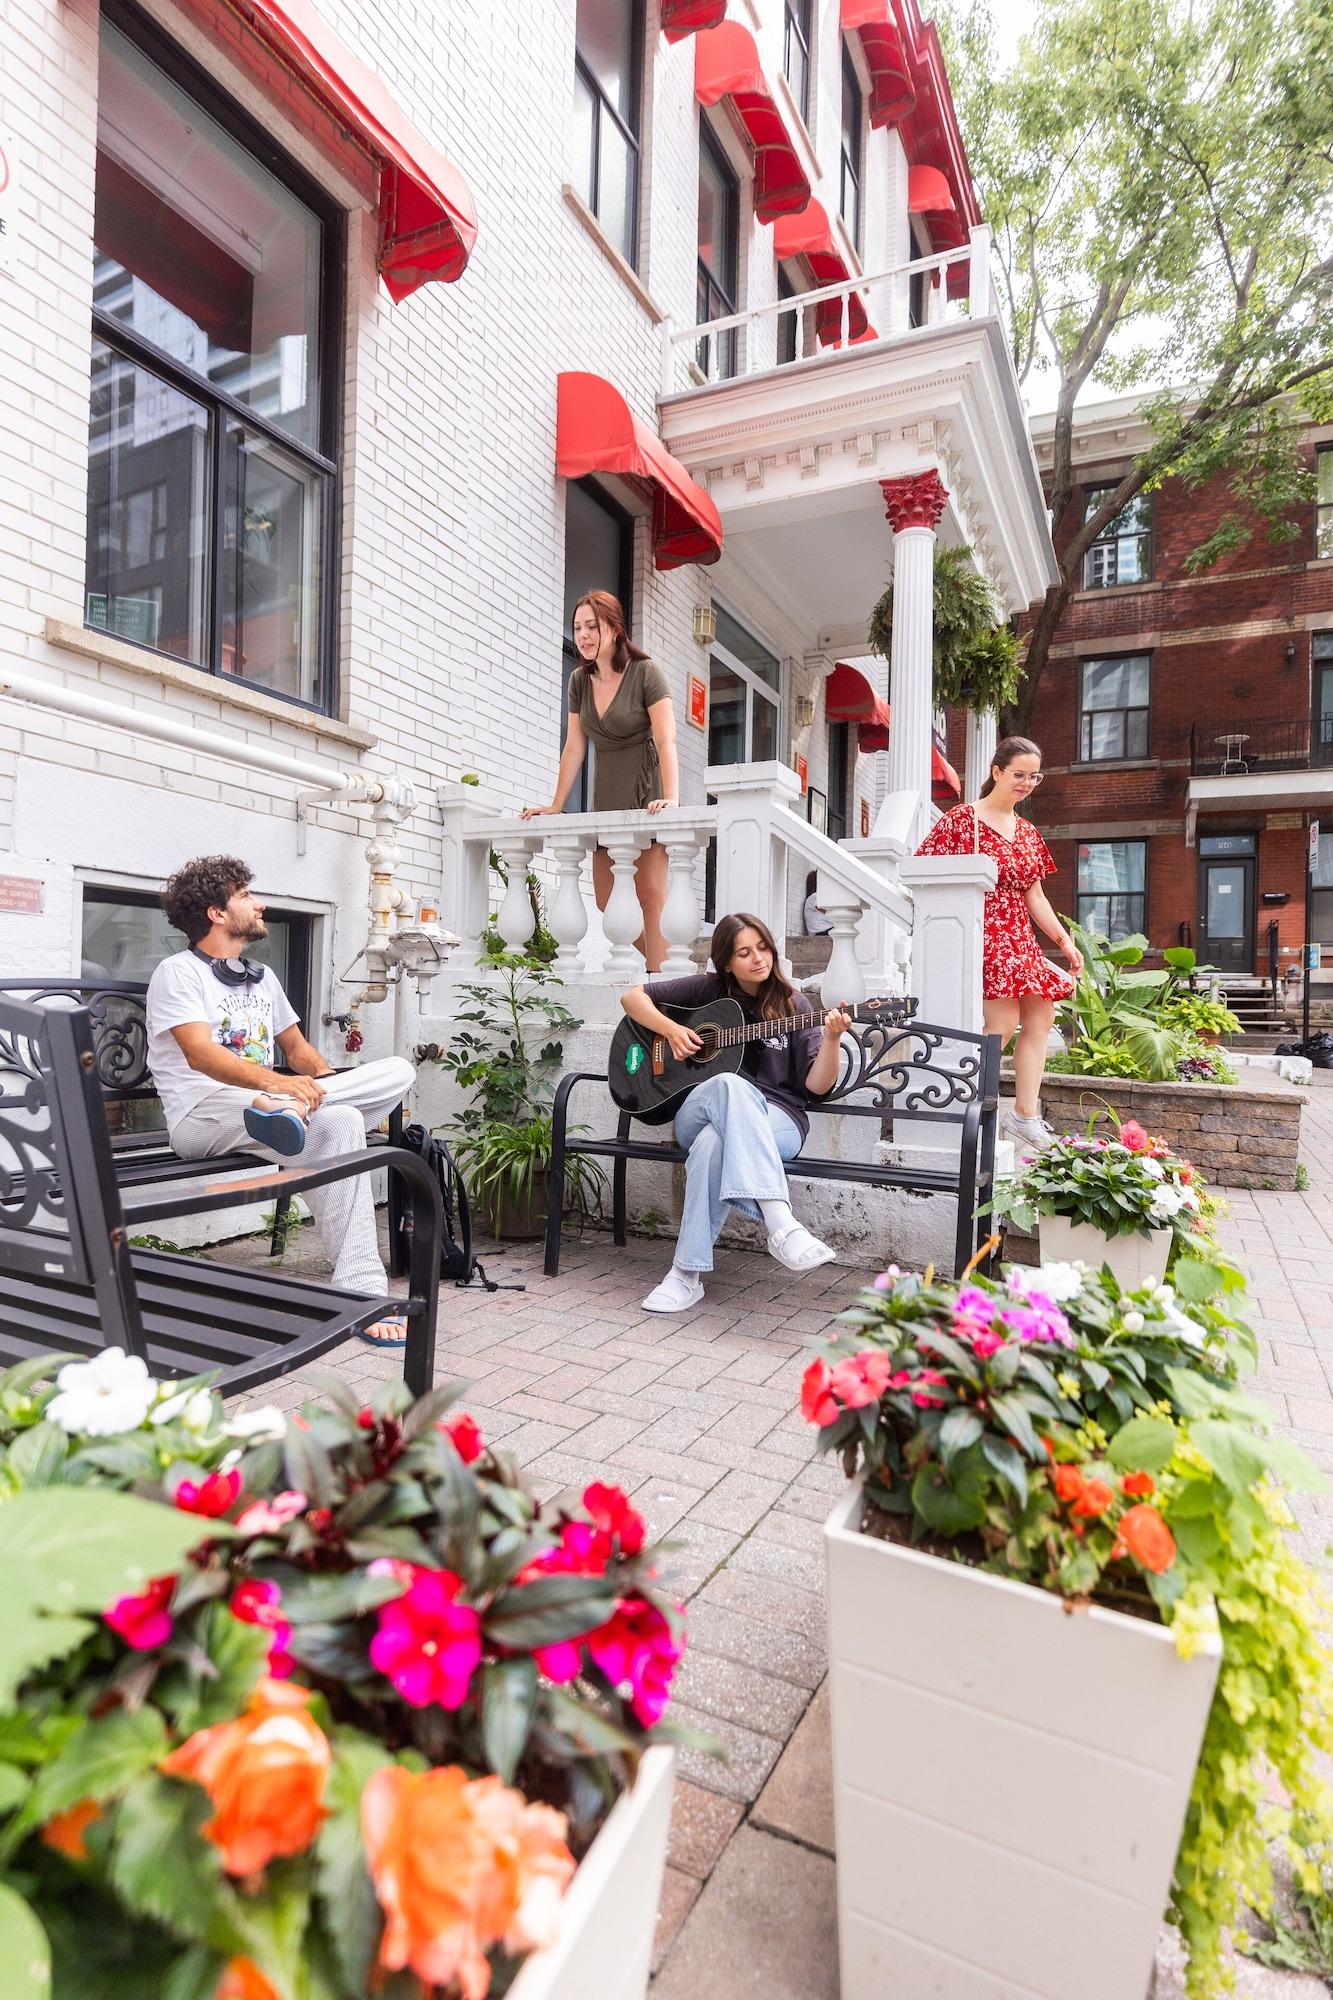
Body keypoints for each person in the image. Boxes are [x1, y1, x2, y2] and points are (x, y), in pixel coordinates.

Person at [145, 855, 415, 1348]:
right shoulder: (178, 973)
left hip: (270, 1112)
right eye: (246, 896)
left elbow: (298, 1050)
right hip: (202, 1116)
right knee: (322, 1112)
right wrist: (276, 1086)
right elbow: (200, 1055)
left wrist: (323, 1088)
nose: (259, 903)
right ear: (216, 913)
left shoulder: (261, 978)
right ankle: (285, 1110)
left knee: (362, 1104)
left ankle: (361, 1292)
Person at [620, 912, 853, 1313]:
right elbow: (632, 997)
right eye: (744, 952)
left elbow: (816, 1087)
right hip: (701, 1107)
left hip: (778, 1119)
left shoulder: (795, 1005)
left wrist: (832, 1039)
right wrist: (673, 1030)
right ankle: (780, 1223)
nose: (758, 958)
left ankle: (685, 1275)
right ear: (726, 961)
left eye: (762, 948)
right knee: (730, 1084)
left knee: (713, 1144)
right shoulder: (708, 990)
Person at [915, 736, 1082, 1154]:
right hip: (983, 933)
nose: (1026, 783)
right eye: (1018, 774)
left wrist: (1063, 941)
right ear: (996, 772)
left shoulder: (1027, 832)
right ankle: (973, 1104)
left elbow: (1035, 896)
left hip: (1019, 937)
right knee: (1002, 1024)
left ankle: (1024, 1116)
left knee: (1041, 1017)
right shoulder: (962, 821)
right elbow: (923, 877)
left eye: (1033, 776)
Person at [521, 591, 679, 970]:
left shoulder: (645, 672)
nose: (584, 635)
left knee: (651, 894)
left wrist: (671, 797)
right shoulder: (579, 680)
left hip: (647, 790)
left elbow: (666, 737)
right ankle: (668, 961)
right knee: (607, 900)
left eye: (593, 626)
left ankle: (662, 982)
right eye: (578, 628)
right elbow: (574, 746)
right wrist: (556, 804)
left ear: (615, 627)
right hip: (606, 794)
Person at [803, 870, 833, 936]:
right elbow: (831, 913)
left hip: (823, 931)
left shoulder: (815, 897)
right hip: (820, 932)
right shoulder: (814, 897)